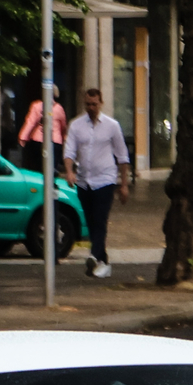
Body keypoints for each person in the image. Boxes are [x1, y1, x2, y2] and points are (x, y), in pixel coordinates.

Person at [63, 88, 130, 278]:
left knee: (100, 219)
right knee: (91, 221)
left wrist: (123, 185)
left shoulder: (112, 126)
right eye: (88, 104)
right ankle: (102, 261)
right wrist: (69, 172)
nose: (91, 107)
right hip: (84, 181)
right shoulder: (76, 125)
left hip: (105, 179)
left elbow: (122, 156)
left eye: (94, 104)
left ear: (101, 103)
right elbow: (69, 152)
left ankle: (94, 255)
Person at [16, 93, 66, 170]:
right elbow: (63, 125)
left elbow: (30, 122)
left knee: (37, 166)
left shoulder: (36, 106)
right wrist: (64, 137)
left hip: (38, 141)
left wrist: (23, 137)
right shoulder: (59, 108)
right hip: (55, 142)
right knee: (52, 166)